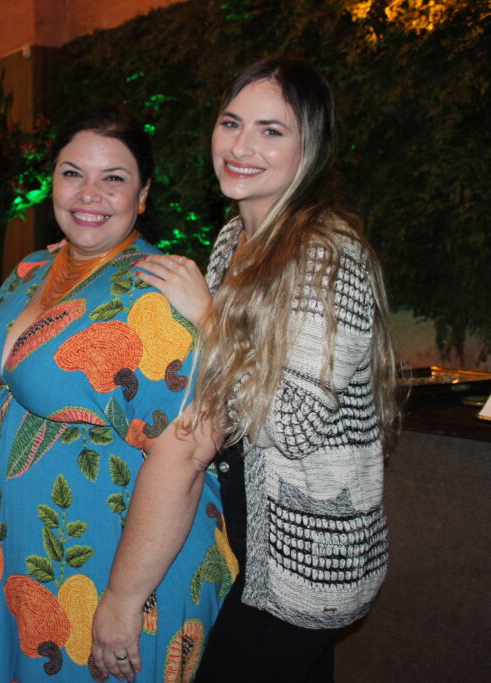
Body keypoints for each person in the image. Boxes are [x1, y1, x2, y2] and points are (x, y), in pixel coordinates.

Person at [137, 56, 398, 682]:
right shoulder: (234, 239)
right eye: (231, 123)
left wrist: (207, 316)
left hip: (310, 560)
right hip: (250, 536)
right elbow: (230, 384)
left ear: (311, 147)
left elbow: (292, 423)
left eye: (271, 131)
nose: (241, 146)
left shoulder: (328, 255)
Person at [0, 103, 236, 683]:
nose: (89, 193)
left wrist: (122, 598)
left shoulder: (155, 290)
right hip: (20, 552)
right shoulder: (32, 268)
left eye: (113, 178)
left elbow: (185, 452)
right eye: (71, 173)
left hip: (106, 560)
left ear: (142, 195)